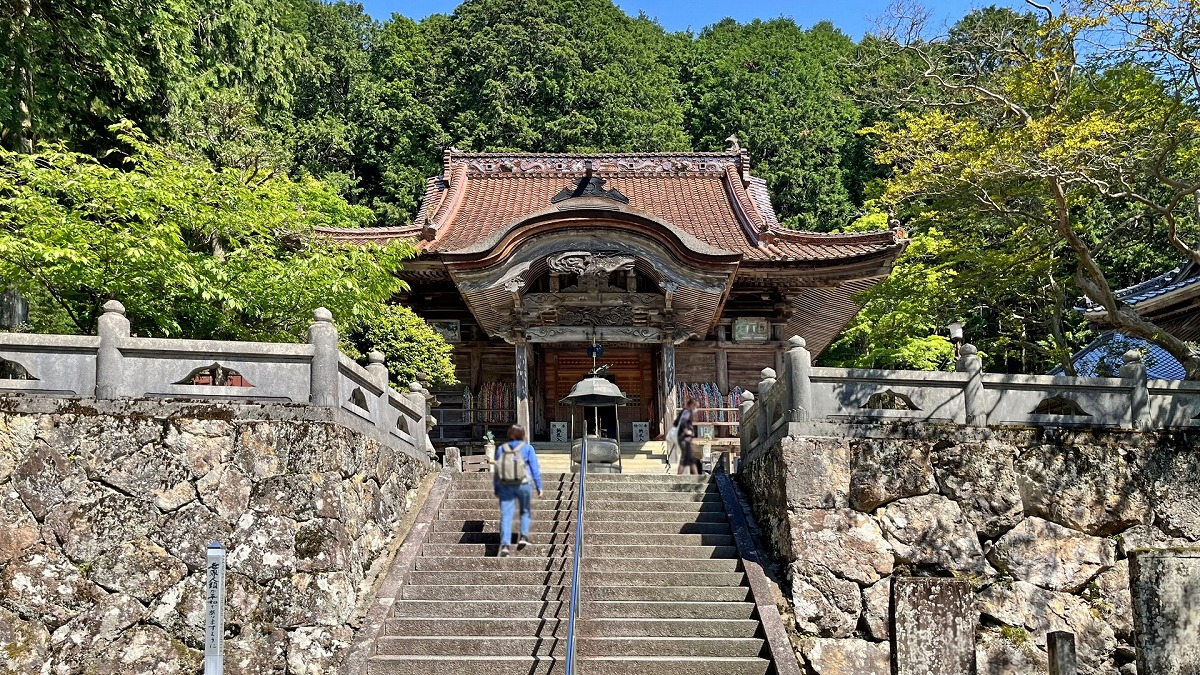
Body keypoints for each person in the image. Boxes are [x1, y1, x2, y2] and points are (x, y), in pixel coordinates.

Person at [493, 424, 542, 557]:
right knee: (525, 510)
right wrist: (539, 486)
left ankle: (504, 545)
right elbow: (534, 469)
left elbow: (497, 470)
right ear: (523, 434)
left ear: (509, 434)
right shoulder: (528, 448)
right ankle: (523, 537)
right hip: (523, 484)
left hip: (505, 484)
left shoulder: (501, 449)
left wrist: (496, 488)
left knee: (506, 515)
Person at [675, 399, 702, 475]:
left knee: (690, 457)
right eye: (695, 407)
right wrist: (686, 430)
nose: (696, 409)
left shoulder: (686, 411)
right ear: (692, 405)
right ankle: (679, 476)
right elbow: (683, 421)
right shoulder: (687, 412)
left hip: (685, 438)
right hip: (684, 438)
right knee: (686, 457)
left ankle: (696, 476)